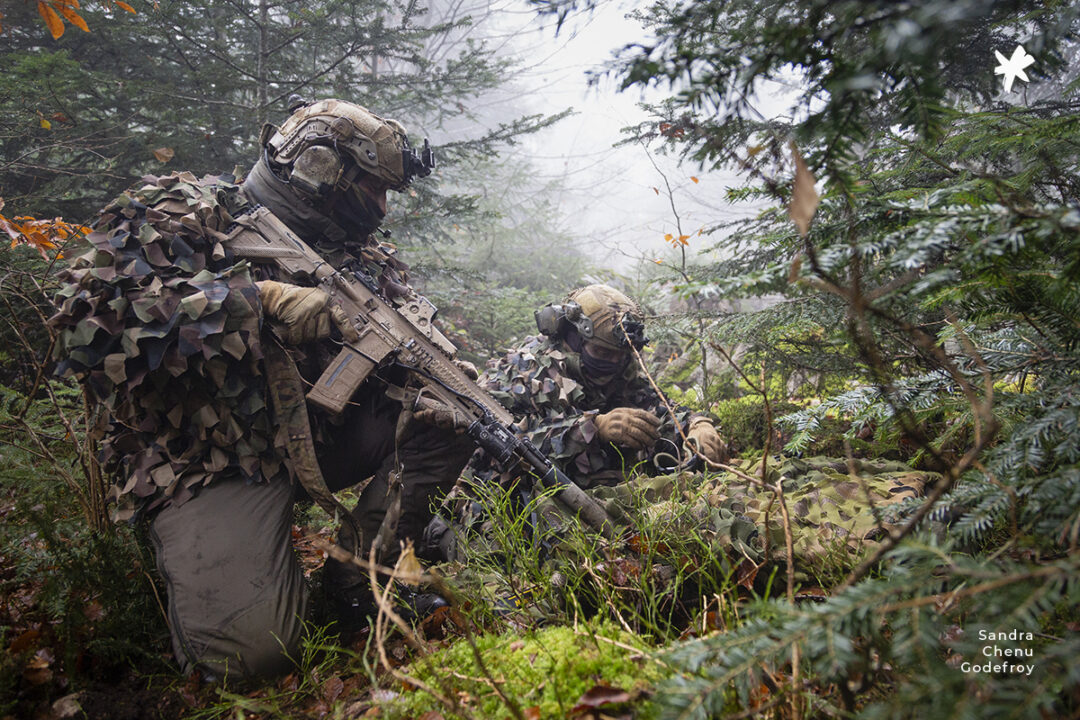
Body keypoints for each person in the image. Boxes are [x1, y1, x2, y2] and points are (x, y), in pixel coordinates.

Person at [50, 98, 474, 679]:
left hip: (312, 440)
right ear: (322, 167)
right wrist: (253, 303)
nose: (381, 206)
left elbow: (400, 362)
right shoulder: (189, 210)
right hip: (207, 461)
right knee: (255, 655)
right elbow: (84, 320)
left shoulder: (363, 258)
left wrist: (440, 376)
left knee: (445, 413)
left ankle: (360, 585)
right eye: (373, 188)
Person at [420, 284, 730, 560]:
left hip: (577, 493)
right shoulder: (525, 371)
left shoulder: (621, 367)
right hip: (499, 498)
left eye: (617, 356)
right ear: (570, 338)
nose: (609, 364)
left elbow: (655, 404)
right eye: (599, 353)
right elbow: (504, 442)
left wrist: (697, 424)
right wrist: (595, 429)